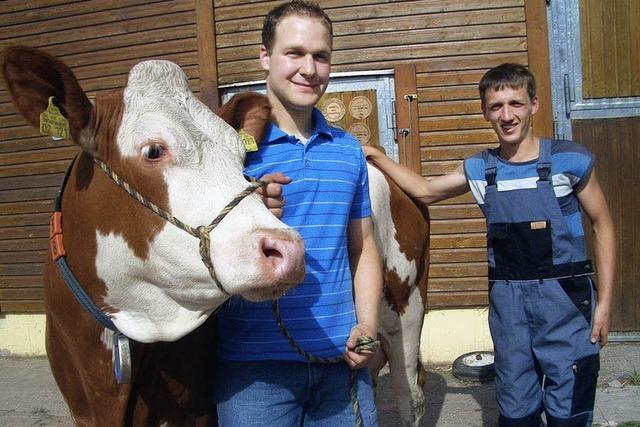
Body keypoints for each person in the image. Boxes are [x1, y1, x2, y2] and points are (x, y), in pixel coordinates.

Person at [363, 63, 615, 426]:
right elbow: (426, 191)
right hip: (509, 306)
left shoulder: (569, 160)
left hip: (566, 303)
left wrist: (604, 303)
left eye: (515, 103)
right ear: (485, 112)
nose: (507, 115)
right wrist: (379, 158)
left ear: (534, 105)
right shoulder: (482, 169)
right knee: (516, 410)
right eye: (496, 107)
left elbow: (603, 225)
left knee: (569, 410)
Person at [214, 1, 382, 426]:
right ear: (265, 57)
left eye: (320, 56)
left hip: (341, 363)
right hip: (254, 371)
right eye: (294, 53)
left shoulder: (347, 151)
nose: (309, 68)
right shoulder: (226, 150)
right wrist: (250, 212)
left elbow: (363, 249)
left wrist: (367, 327)